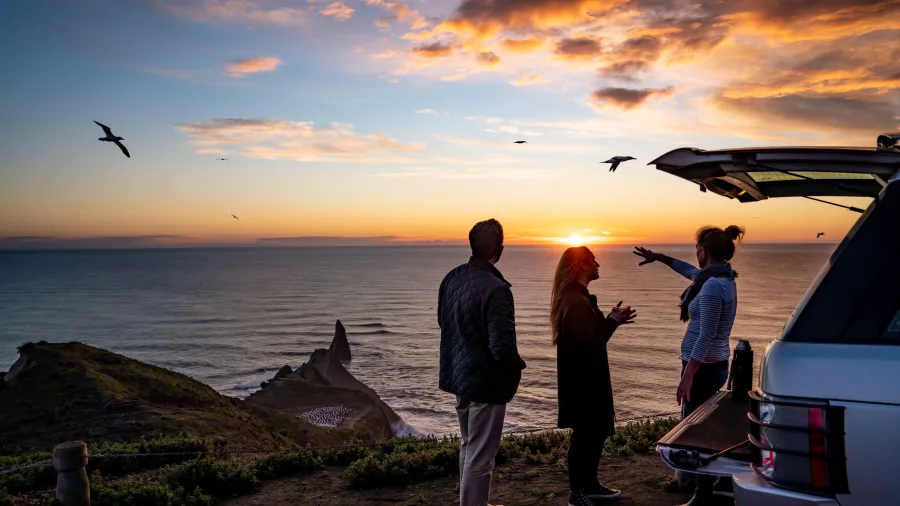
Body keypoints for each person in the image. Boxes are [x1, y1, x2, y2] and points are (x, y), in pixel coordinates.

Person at [633, 225, 745, 506]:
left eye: (697, 249)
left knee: (697, 433)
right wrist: (659, 257)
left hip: (703, 367)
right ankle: (721, 484)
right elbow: (687, 271)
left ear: (703, 252)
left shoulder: (710, 287)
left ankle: (703, 493)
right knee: (712, 428)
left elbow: (706, 334)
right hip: (713, 363)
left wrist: (687, 375)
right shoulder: (720, 277)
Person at [438, 218, 527, 506]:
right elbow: (502, 346)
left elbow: (443, 322)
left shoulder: (451, 277)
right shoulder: (497, 289)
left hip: (460, 376)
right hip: (486, 383)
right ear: (500, 249)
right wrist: (517, 368)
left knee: (468, 445)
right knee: (481, 456)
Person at [551, 246, 637, 506]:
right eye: (593, 260)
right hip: (583, 383)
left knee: (594, 433)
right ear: (581, 265)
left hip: (586, 380)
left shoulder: (578, 298)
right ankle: (578, 492)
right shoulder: (575, 301)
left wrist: (610, 319)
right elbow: (592, 342)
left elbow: (589, 337)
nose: (598, 264)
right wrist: (611, 320)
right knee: (585, 436)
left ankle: (589, 484)